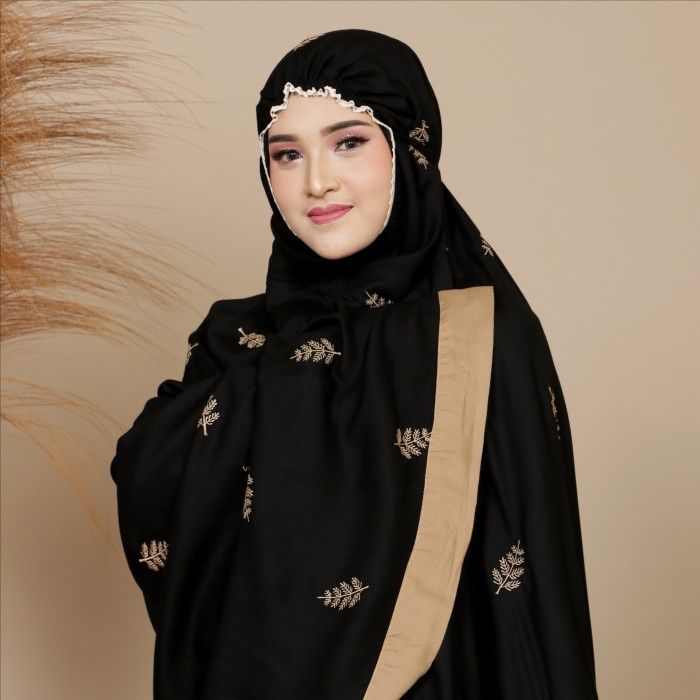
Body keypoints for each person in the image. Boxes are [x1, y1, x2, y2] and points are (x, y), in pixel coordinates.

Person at [110, 29, 598, 699]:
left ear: (410, 149)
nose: (317, 181)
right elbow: (157, 493)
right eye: (288, 154)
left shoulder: (481, 335)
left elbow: (525, 583)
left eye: (348, 142)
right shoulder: (236, 340)